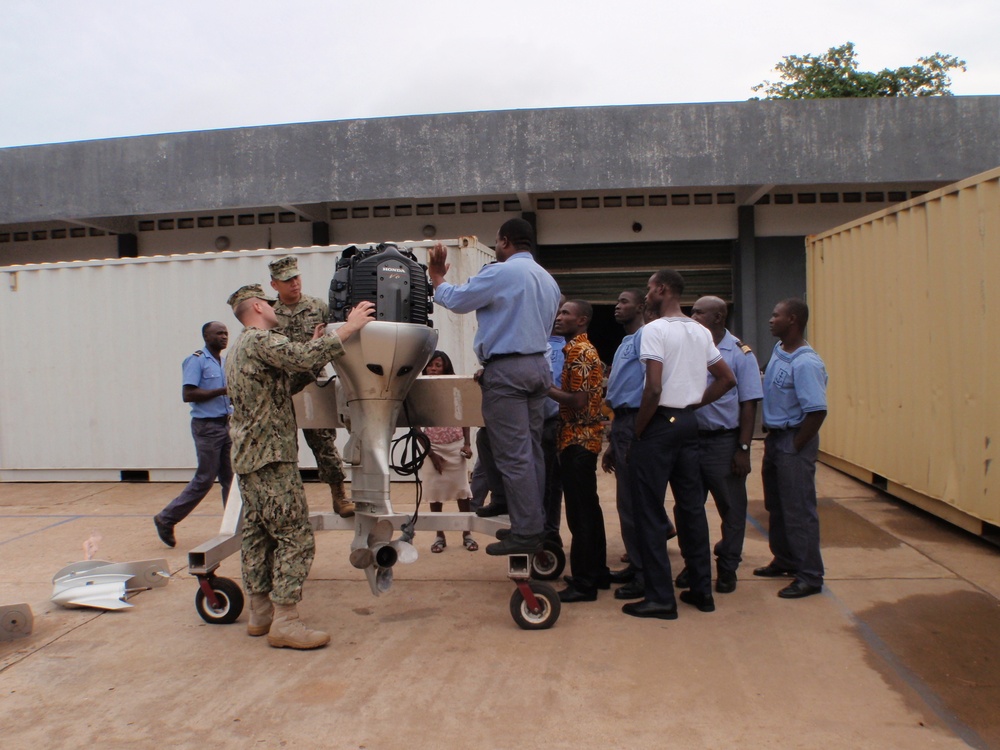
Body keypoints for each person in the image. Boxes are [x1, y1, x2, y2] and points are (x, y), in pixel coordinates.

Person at [225, 283, 374, 649]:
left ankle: (260, 613)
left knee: (258, 535)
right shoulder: (260, 339)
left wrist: (316, 349)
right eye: (270, 303)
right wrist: (349, 328)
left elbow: (288, 378)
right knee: (295, 536)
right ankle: (286, 621)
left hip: (248, 458)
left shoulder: (238, 349)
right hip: (272, 458)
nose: (277, 308)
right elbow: (299, 358)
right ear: (258, 306)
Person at [427, 218, 561, 556]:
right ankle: (531, 521)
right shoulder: (548, 281)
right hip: (537, 368)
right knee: (530, 452)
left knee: (513, 455)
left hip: (508, 370)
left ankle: (527, 530)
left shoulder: (501, 273)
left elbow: (457, 300)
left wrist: (437, 277)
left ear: (504, 241)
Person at [622, 270, 736, 621]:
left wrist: (638, 431)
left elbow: (653, 388)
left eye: (649, 288)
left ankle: (660, 598)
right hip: (688, 425)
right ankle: (702, 590)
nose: (647, 294)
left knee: (650, 512)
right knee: (691, 509)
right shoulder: (700, 331)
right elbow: (726, 379)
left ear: (662, 289)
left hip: (659, 426)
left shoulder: (654, 331)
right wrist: (694, 404)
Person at [672, 296, 763, 594]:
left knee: (732, 510)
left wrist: (743, 448)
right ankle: (694, 563)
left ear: (719, 317)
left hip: (723, 443)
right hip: (689, 442)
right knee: (687, 508)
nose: (692, 316)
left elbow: (749, 404)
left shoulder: (739, 354)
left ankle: (727, 566)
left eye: (699, 312)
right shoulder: (688, 349)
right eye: (692, 311)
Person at [601, 290, 677, 602]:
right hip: (621, 422)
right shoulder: (625, 342)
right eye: (616, 301)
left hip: (636, 420)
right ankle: (637, 563)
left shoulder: (648, 336)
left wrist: (635, 430)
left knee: (637, 503)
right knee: (626, 502)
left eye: (624, 301)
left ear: (641, 307)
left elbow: (653, 385)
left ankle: (646, 574)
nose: (617, 307)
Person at [268, 255, 355, 518]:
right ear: (275, 285)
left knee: (324, 443)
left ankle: (339, 496)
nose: (294, 284)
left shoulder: (318, 307)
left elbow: (336, 341)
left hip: (314, 384)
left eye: (296, 278)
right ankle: (289, 502)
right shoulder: (271, 313)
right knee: (284, 447)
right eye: (287, 280)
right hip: (283, 388)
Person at [755, 298, 828, 599]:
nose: (771, 320)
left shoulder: (806, 362)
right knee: (777, 506)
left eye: (776, 315)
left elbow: (817, 411)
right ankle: (784, 559)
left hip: (793, 439)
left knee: (799, 511)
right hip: (775, 438)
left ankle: (809, 575)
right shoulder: (780, 351)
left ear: (793, 320)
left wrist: (796, 446)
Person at [153, 321, 234, 548]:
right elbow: (188, 394)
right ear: (206, 336)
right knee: (205, 478)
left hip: (224, 424)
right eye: (218, 333)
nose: (224, 337)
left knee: (230, 479)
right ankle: (166, 518)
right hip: (206, 427)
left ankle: (235, 526)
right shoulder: (196, 360)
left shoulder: (224, 361)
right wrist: (223, 391)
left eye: (226, 333)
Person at [548, 300, 607, 602]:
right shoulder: (574, 349)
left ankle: (585, 584)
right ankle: (597, 572)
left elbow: (579, 400)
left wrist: (544, 387)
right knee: (589, 511)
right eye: (559, 313)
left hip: (579, 441)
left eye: (565, 313)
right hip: (577, 439)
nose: (559, 317)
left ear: (581, 320)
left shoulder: (581, 352)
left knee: (580, 515)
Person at [417, 350, 478, 553]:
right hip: (432, 449)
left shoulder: (454, 388)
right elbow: (415, 428)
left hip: (455, 447)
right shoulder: (420, 390)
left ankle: (466, 533)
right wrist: (431, 454)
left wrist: (467, 445)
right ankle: (439, 536)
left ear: (446, 367)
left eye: (438, 365)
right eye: (430, 365)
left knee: (462, 493)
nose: (433, 369)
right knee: (435, 495)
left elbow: (465, 417)